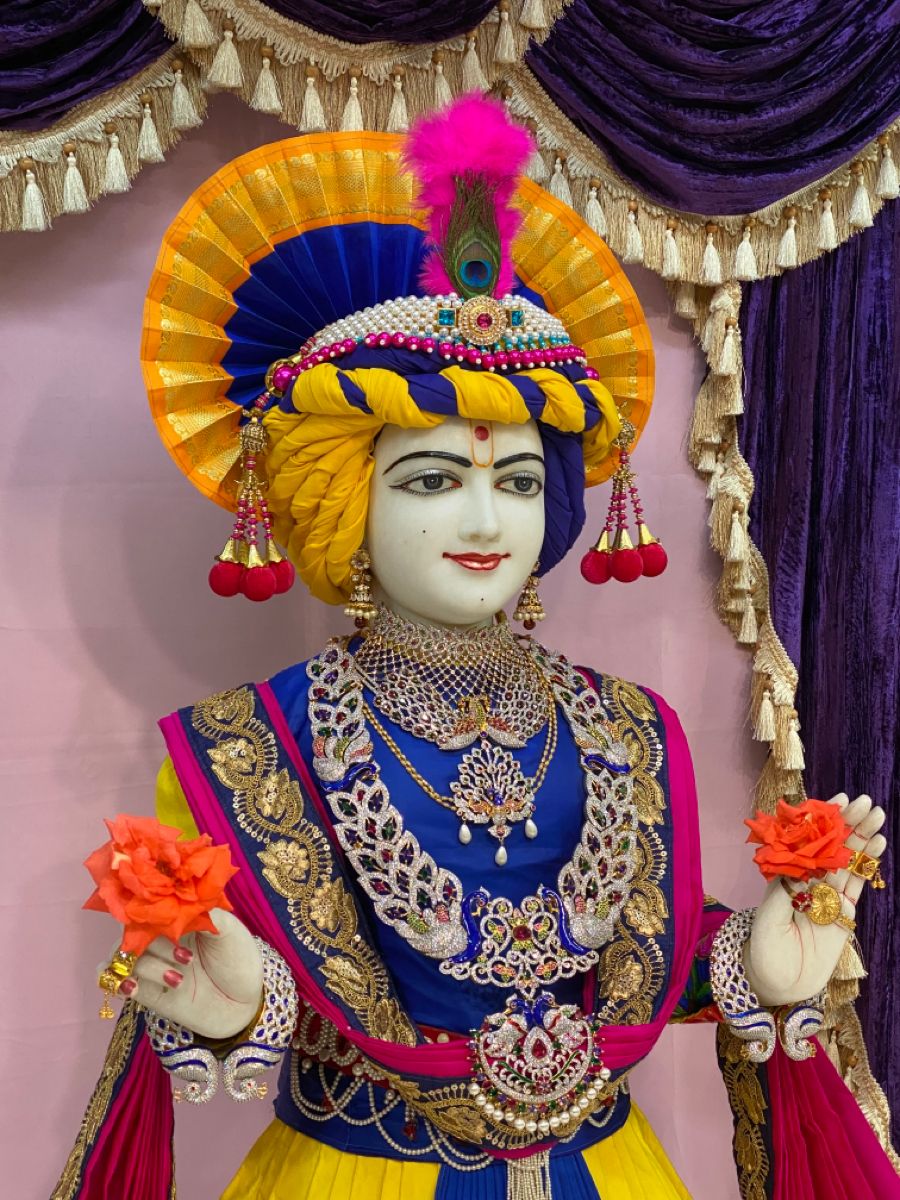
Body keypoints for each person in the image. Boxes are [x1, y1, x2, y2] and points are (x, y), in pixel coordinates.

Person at [56, 97, 895, 1200]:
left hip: (608, 1169)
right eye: (432, 481)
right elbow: (277, 963)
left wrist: (749, 964)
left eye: (511, 482)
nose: (487, 523)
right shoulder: (247, 745)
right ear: (344, 498)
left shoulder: (629, 724)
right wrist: (236, 1001)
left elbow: (642, 951)